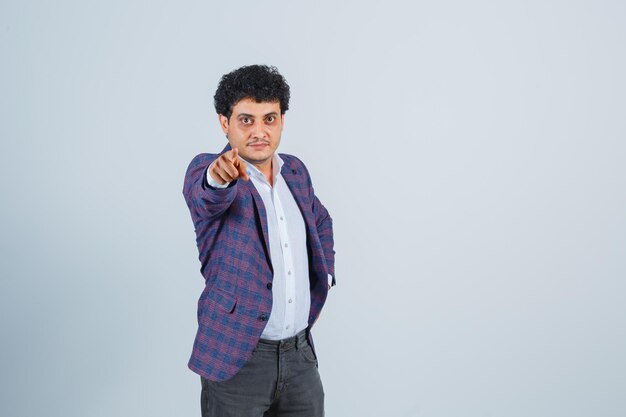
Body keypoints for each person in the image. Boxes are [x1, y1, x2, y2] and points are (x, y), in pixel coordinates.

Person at [182, 64, 335, 417]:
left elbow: (320, 221)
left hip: (300, 360)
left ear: (281, 119)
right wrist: (218, 177)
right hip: (239, 360)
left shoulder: (295, 171)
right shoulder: (209, 170)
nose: (259, 131)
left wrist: (323, 275)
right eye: (246, 120)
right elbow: (206, 193)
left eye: (269, 118)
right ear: (225, 122)